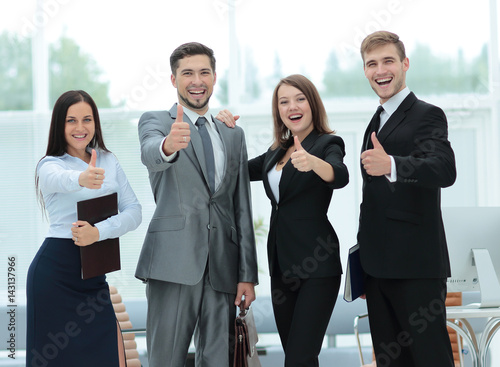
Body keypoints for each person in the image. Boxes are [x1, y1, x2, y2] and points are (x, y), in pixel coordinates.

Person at [135, 42, 258, 367]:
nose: (196, 80)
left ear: (215, 78)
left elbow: (241, 207)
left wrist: (247, 275)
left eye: (204, 72)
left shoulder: (232, 134)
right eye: (187, 73)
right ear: (173, 79)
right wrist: (167, 145)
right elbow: (150, 153)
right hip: (172, 266)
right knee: (166, 360)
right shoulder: (157, 121)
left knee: (218, 360)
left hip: (221, 268)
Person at [218, 74, 349, 366]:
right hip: (281, 266)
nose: (293, 106)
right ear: (278, 110)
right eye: (284, 101)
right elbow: (234, 170)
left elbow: (340, 175)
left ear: (312, 103)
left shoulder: (327, 143)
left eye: (300, 98)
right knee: (297, 356)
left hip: (317, 265)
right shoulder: (276, 152)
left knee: (300, 358)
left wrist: (314, 163)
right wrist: (220, 128)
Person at [358, 31, 457, 367]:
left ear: (404, 64)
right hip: (378, 270)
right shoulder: (378, 118)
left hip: (416, 268)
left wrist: (393, 165)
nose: (380, 70)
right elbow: (374, 201)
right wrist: (363, 265)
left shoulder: (427, 114)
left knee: (430, 359)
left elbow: (444, 169)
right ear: (365, 70)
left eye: (388, 61)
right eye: (372, 64)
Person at [27, 90, 142, 367]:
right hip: (54, 275)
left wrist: (98, 232)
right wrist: (82, 177)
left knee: (110, 358)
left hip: (93, 274)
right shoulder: (49, 165)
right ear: (59, 125)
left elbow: (134, 212)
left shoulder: (108, 160)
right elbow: (60, 180)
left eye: (87, 119)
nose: (80, 128)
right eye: (71, 120)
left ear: (95, 122)